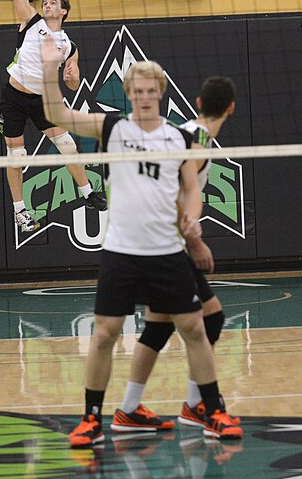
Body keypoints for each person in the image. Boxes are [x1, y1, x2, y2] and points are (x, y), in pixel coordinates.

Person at [40, 36, 243, 446]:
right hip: (121, 252)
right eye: (138, 90)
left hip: (166, 251)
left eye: (152, 91)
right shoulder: (111, 127)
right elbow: (54, 111)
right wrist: (49, 68)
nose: (145, 96)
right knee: (104, 333)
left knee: (196, 328)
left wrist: (192, 213)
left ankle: (213, 409)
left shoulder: (179, 139)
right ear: (129, 93)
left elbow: (190, 186)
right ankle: (92, 418)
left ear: (161, 94)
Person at [111, 76, 239, 433]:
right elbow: (175, 196)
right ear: (231, 107)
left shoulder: (192, 135)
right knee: (207, 321)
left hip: (162, 243)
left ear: (198, 102)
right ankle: (196, 406)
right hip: (163, 246)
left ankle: (133, 409)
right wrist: (194, 243)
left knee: (158, 326)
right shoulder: (194, 142)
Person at [0, 0, 107, 232]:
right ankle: (20, 211)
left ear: (63, 11)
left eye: (53, 2)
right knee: (17, 155)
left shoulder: (69, 46)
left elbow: (73, 82)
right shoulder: (31, 21)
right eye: (45, 2)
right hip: (15, 97)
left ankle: (88, 193)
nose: (47, 4)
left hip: (43, 100)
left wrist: (73, 78)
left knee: (67, 143)